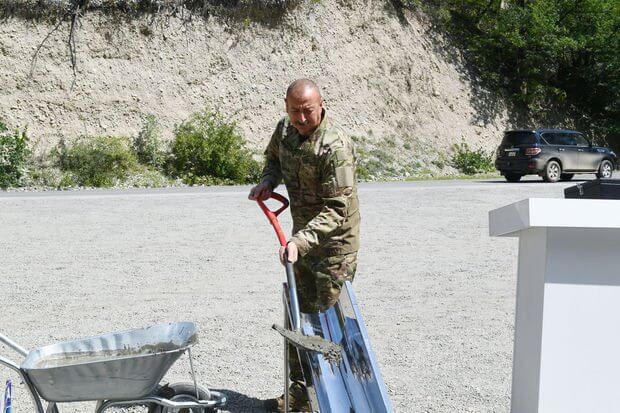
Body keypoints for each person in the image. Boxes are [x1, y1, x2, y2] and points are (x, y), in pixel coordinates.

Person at [248, 78, 360, 412]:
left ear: (321, 105)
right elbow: (273, 159)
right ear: (285, 106)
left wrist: (301, 241)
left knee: (327, 322)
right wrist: (268, 182)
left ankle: (331, 398)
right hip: (301, 242)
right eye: (294, 110)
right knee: (299, 317)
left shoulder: (335, 146)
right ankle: (298, 396)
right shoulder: (284, 130)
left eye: (307, 111)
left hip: (333, 249)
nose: (300, 118)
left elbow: (337, 208)